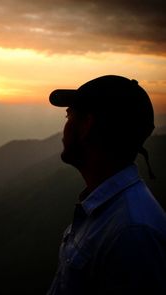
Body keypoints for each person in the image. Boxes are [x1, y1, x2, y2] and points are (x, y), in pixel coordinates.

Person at [47, 75, 166, 295]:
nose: (63, 128)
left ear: (87, 127)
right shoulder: (107, 212)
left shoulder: (133, 232)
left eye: (69, 115)